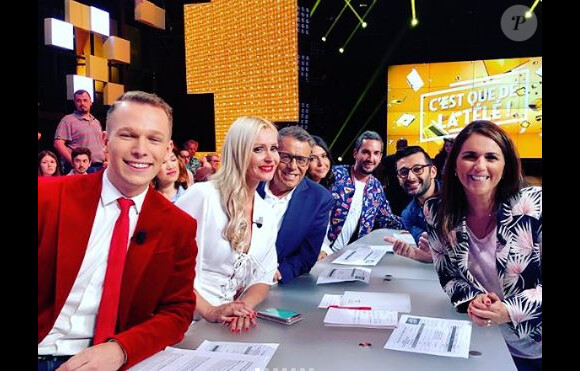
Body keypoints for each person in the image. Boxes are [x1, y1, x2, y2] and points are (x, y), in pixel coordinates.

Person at [39, 91, 198, 370]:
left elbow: (177, 311)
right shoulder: (47, 197)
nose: (141, 149)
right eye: (127, 135)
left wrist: (122, 350)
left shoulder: (179, 226)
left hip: (113, 360)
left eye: (154, 139)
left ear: (168, 149)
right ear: (104, 141)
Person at [422, 120, 541, 370]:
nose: (480, 166)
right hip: (484, 343)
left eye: (491, 157)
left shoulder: (535, 206)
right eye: (470, 156)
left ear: (506, 165)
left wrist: (508, 311)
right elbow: (449, 277)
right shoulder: (436, 211)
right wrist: (473, 300)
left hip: (536, 346)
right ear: (454, 163)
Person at [176, 116, 279, 334]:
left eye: (274, 148)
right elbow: (165, 268)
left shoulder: (267, 212)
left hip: (222, 326)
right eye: (259, 149)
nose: (271, 157)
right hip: (183, 318)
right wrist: (210, 311)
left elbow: (263, 278)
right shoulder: (203, 196)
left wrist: (242, 309)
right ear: (238, 152)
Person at [257, 127, 333, 284]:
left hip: (272, 283)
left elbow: (307, 256)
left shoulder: (319, 199)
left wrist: (279, 273)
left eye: (301, 160)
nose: (292, 166)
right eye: (286, 157)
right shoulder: (251, 183)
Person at [319, 131, 403, 260]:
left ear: (380, 157)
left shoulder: (376, 187)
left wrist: (416, 224)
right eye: (365, 152)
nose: (371, 158)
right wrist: (320, 248)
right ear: (355, 153)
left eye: (376, 153)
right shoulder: (333, 175)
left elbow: (387, 219)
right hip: (319, 253)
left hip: (352, 257)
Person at [383, 146, 439, 263]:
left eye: (418, 169)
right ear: (398, 178)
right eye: (404, 172)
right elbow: (428, 248)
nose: (411, 177)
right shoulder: (408, 216)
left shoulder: (461, 198)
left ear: (432, 172)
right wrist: (427, 255)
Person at [53, 89, 106, 174]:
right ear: (75, 103)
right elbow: (58, 143)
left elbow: (102, 144)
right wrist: (72, 161)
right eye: (78, 101)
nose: (82, 103)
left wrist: (107, 160)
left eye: (85, 100)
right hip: (81, 168)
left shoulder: (96, 121)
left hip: (100, 167)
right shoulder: (68, 120)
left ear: (91, 102)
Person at [375, 138, 411, 216]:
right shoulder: (389, 159)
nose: (401, 148)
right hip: (394, 191)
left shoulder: (411, 159)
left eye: (403, 146)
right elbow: (379, 169)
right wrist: (382, 184)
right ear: (397, 147)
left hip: (407, 192)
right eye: (400, 146)